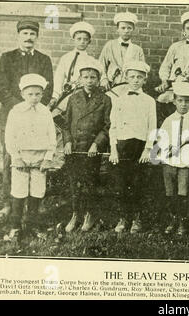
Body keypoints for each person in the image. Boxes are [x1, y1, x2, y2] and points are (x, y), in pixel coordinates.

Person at [0, 19, 54, 218]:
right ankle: (9, 203)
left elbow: (48, 89)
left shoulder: (44, 60)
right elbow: (0, 88)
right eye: (25, 33)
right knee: (11, 158)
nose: (29, 37)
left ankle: (35, 203)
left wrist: (34, 107)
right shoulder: (6, 58)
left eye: (32, 34)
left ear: (37, 37)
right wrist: (20, 108)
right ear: (18, 35)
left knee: (36, 161)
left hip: (37, 119)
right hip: (12, 117)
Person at [4, 74, 56, 241]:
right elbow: (10, 136)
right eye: (30, 94)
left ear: (42, 94)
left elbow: (52, 136)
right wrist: (16, 157)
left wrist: (48, 157)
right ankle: (15, 226)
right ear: (22, 94)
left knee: (37, 192)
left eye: (38, 94)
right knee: (19, 192)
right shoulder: (16, 111)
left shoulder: (45, 112)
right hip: (21, 157)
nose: (34, 97)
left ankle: (32, 224)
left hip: (39, 158)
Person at [62, 58, 111, 233]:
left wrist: (97, 144)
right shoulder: (73, 99)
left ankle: (89, 214)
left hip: (91, 150)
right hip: (74, 148)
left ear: (98, 80)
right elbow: (66, 124)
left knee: (90, 182)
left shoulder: (105, 99)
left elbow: (107, 126)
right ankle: (76, 214)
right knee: (74, 183)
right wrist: (67, 141)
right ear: (80, 79)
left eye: (93, 77)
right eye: (85, 77)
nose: (89, 81)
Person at [108, 60, 156, 234]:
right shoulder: (119, 100)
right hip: (122, 146)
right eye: (132, 77)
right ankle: (123, 218)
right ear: (126, 78)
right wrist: (113, 149)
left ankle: (137, 218)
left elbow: (153, 127)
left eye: (139, 77)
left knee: (138, 184)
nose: (135, 80)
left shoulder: (150, 101)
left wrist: (148, 149)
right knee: (121, 185)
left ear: (145, 80)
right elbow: (113, 126)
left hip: (140, 146)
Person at [156, 82, 189, 235]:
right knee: (170, 192)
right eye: (180, 100)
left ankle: (182, 222)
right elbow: (161, 138)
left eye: (187, 101)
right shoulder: (169, 120)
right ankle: (172, 220)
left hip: (186, 162)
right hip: (170, 161)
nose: (184, 104)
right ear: (174, 101)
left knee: (183, 193)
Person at [49, 21, 96, 109]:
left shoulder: (92, 61)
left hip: (85, 95)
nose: (82, 42)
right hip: (67, 95)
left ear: (89, 41)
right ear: (73, 40)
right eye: (79, 39)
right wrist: (55, 96)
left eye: (85, 39)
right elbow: (59, 78)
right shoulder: (65, 58)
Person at [99, 12, 145, 90]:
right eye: (123, 28)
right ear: (118, 29)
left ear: (133, 29)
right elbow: (101, 64)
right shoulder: (109, 45)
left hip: (131, 86)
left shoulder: (138, 50)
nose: (126, 31)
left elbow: (142, 70)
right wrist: (104, 79)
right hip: (112, 85)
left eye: (129, 28)